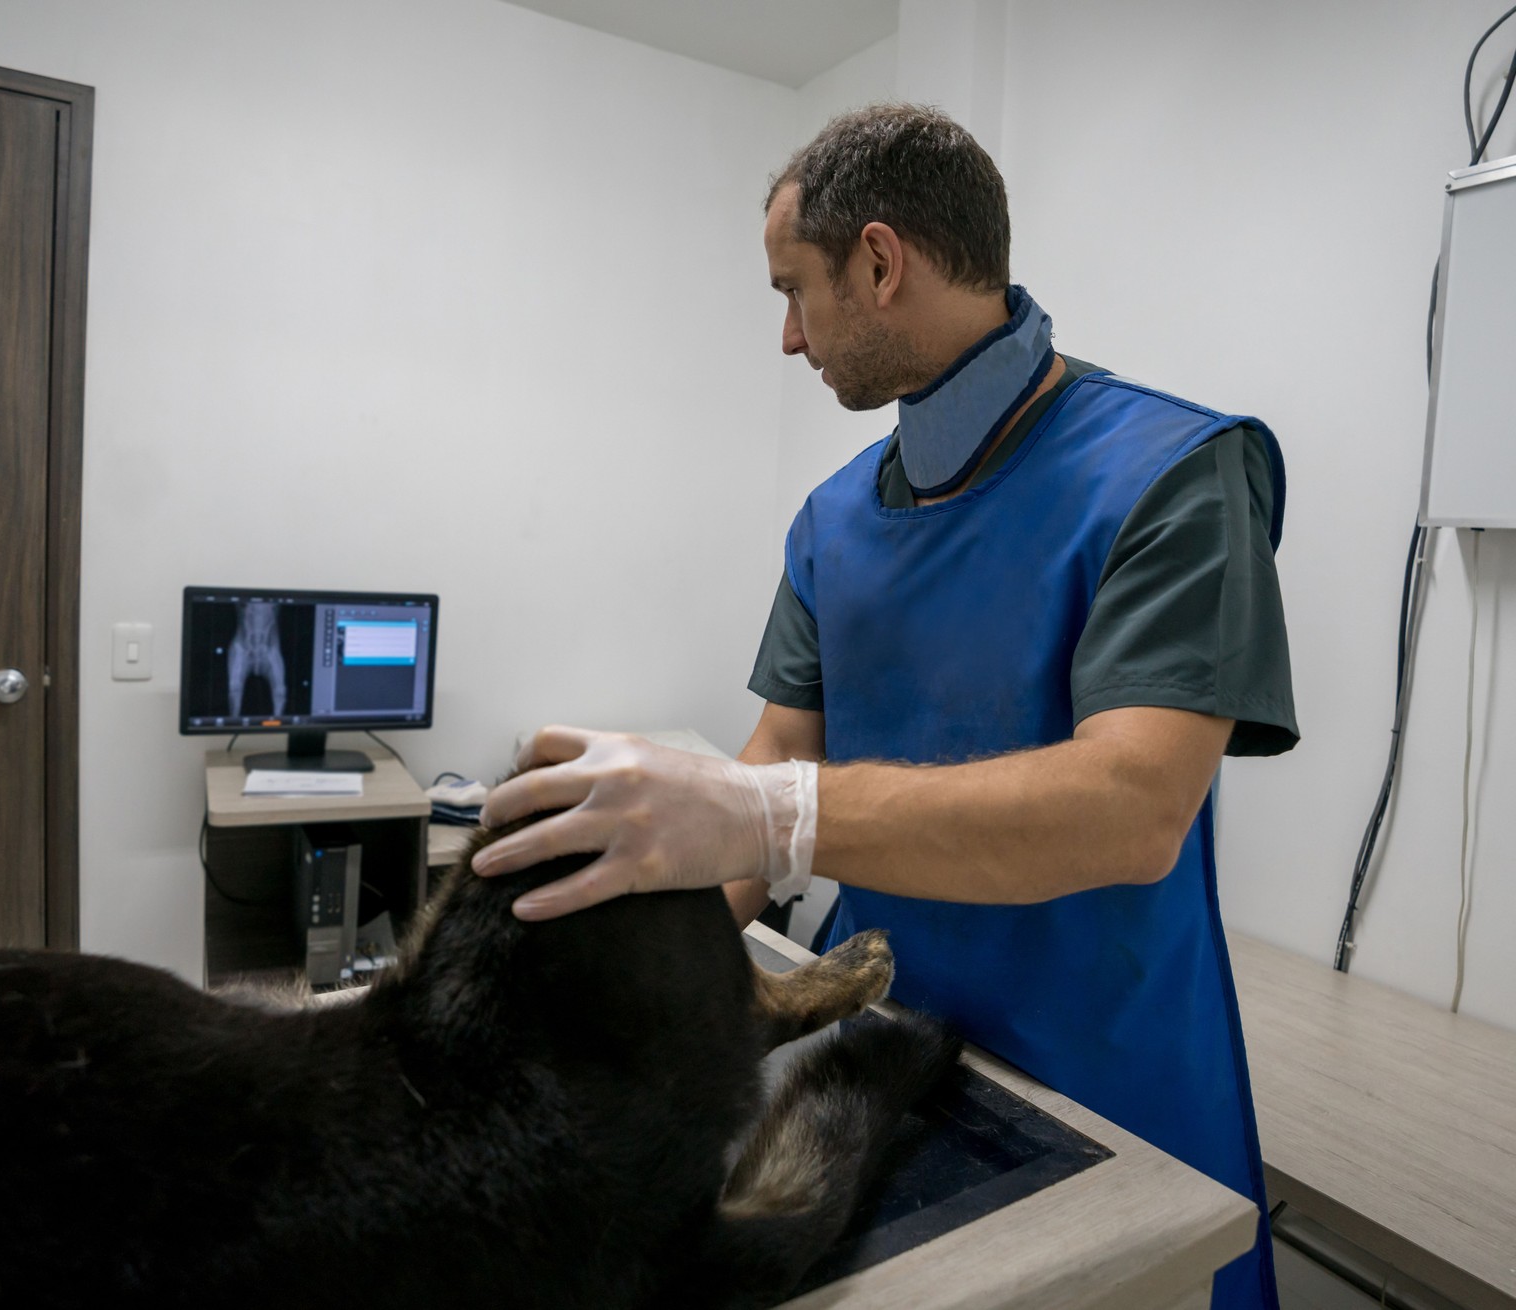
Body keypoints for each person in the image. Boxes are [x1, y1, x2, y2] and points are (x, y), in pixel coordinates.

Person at [472, 104, 1296, 1310]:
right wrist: (623, 954)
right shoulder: (834, 518)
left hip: (1109, 1079)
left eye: (794, 292)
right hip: (889, 1046)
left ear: (877, 262)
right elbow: (775, 752)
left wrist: (770, 812)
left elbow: (1134, 806)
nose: (788, 338)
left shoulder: (1173, 473)